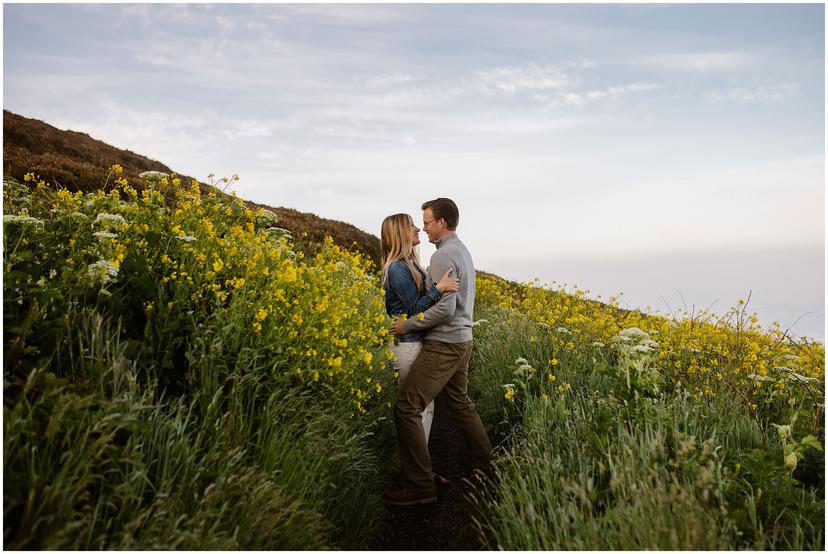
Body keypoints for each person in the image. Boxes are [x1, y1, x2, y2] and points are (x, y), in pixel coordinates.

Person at [381, 198, 493, 506]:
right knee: (460, 404)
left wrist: (409, 325)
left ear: (441, 223)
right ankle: (488, 465)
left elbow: (446, 309)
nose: (424, 227)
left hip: (444, 342)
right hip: (462, 339)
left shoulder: (444, 256)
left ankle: (420, 487)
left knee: (406, 407)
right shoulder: (462, 250)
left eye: (427, 222)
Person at [380, 213, 459, 451]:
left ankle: (419, 473)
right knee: (415, 411)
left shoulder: (410, 264)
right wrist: (439, 289)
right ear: (399, 233)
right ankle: (415, 476)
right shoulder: (396, 268)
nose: (417, 229)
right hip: (408, 346)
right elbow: (414, 308)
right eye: (411, 225)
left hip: (415, 343)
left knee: (423, 409)